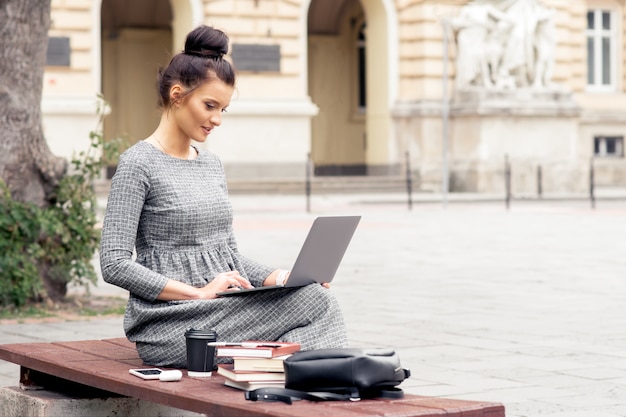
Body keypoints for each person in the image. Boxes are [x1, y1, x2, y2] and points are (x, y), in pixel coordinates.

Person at [99, 25, 348, 368]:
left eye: (223, 110)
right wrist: (198, 292)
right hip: (170, 323)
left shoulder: (211, 165)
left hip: (224, 307)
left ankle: (293, 389)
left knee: (311, 299)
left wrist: (280, 278)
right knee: (317, 304)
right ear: (176, 94)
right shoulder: (138, 164)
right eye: (210, 105)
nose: (216, 119)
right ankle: (322, 385)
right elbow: (114, 264)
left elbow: (228, 256)